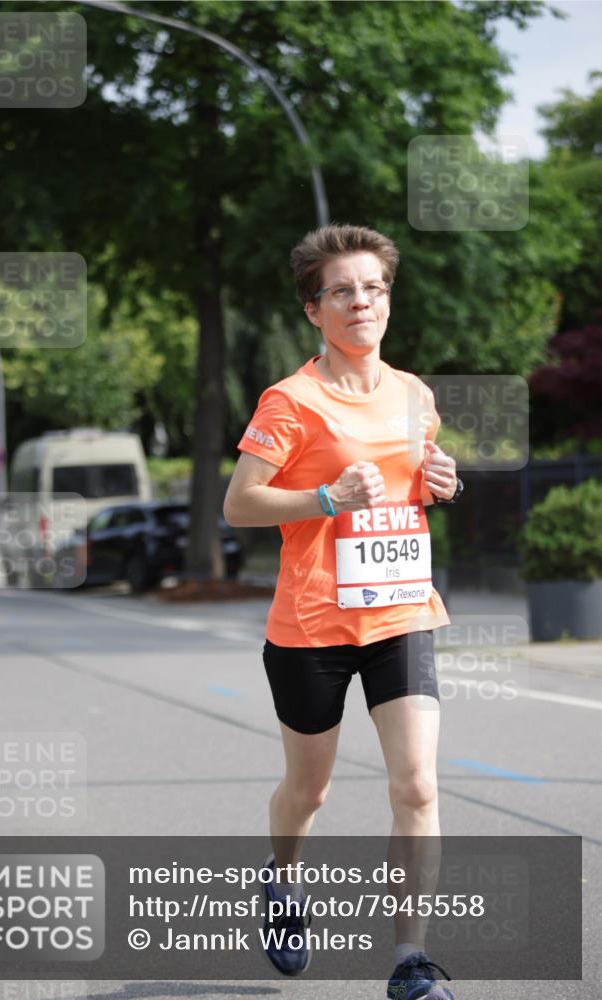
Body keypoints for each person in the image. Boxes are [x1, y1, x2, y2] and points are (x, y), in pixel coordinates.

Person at [223, 224, 463, 999]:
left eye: (373, 288)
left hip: (399, 613)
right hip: (311, 627)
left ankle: (410, 961)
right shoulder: (288, 401)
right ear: (313, 310)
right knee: (309, 792)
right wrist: (323, 498)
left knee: (418, 786)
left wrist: (440, 483)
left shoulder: (413, 395)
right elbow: (239, 504)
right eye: (342, 291)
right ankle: (283, 881)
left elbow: (409, 486)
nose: (361, 301)